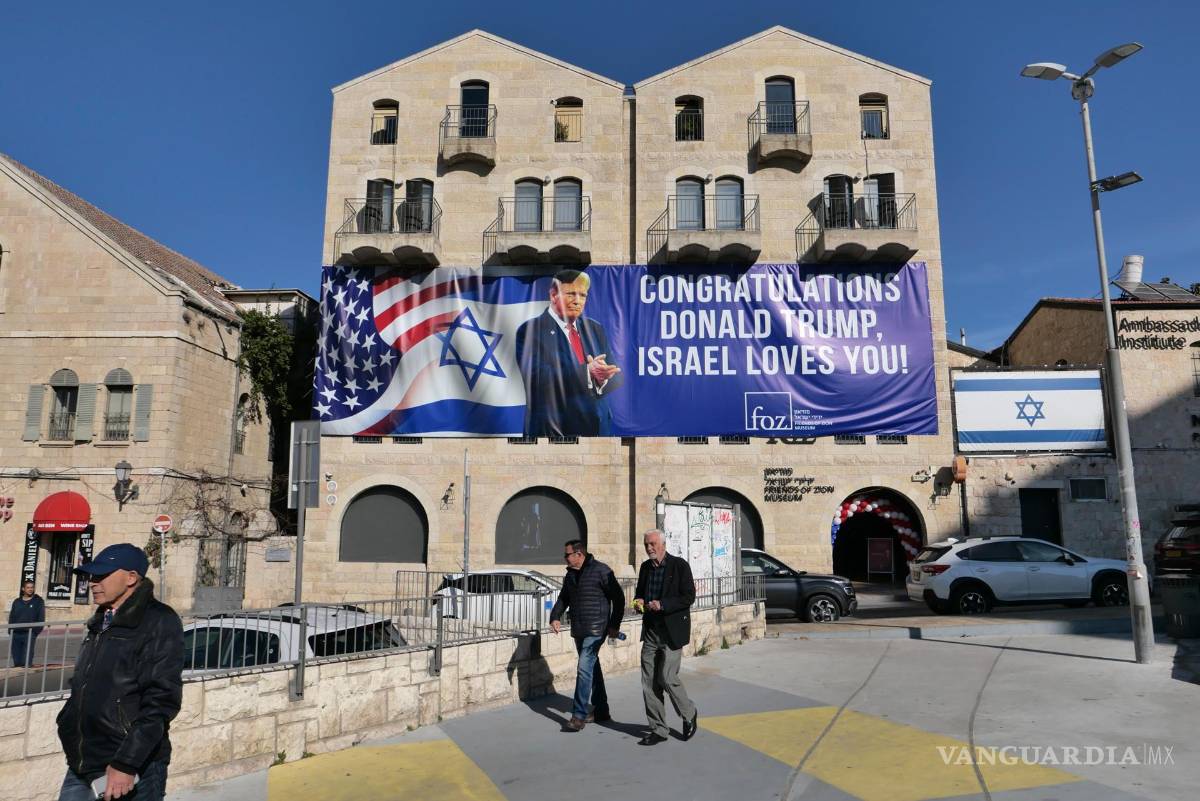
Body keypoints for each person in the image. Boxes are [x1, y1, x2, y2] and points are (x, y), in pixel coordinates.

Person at [55, 543, 183, 801]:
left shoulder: (159, 620)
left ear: (131, 578)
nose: (93, 582)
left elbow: (161, 701)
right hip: (84, 761)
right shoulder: (101, 620)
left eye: (102, 575)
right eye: (92, 576)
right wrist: (67, 722)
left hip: (131, 765)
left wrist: (126, 763)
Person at [515, 269, 622, 437]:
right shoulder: (530, 330)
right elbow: (537, 378)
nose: (577, 301)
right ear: (553, 295)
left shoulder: (595, 329)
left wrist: (602, 377)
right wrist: (587, 372)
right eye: (571, 294)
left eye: (583, 295)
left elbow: (615, 375)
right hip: (555, 432)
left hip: (597, 431)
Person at [549, 539, 625, 731]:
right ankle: (602, 710)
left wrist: (614, 625)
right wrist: (555, 616)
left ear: (579, 554)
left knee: (583, 668)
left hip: (597, 629)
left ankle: (578, 715)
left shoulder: (601, 571)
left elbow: (619, 598)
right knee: (592, 669)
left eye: (567, 554)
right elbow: (563, 598)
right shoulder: (570, 576)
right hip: (579, 629)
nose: (564, 558)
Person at [633, 529, 698, 746]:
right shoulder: (644, 568)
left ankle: (689, 713)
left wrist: (663, 604)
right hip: (651, 631)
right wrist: (639, 602)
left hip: (672, 632)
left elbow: (689, 597)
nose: (649, 548)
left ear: (662, 544)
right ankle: (658, 729)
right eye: (646, 544)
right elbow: (639, 593)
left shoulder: (679, 566)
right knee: (649, 682)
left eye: (652, 543)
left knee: (668, 677)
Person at [8, 579, 45, 668]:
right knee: (17, 661)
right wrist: (10, 630)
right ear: (23, 589)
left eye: (32, 587)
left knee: (26, 662)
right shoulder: (17, 601)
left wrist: (35, 632)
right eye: (28, 587)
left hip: (29, 633)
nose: (30, 589)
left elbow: (41, 618)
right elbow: (12, 616)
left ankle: (26, 679)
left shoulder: (38, 601)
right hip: (16, 633)